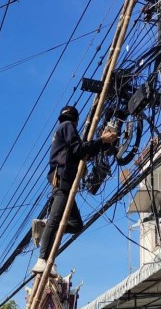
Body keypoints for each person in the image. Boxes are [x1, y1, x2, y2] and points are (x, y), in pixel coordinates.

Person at [32, 105, 117, 273]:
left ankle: (45, 226)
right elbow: (79, 150)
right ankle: (41, 260)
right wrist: (102, 139)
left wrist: (100, 142)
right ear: (76, 120)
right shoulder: (68, 127)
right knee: (55, 220)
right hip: (62, 179)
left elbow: (80, 153)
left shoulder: (61, 129)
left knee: (77, 225)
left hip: (64, 180)